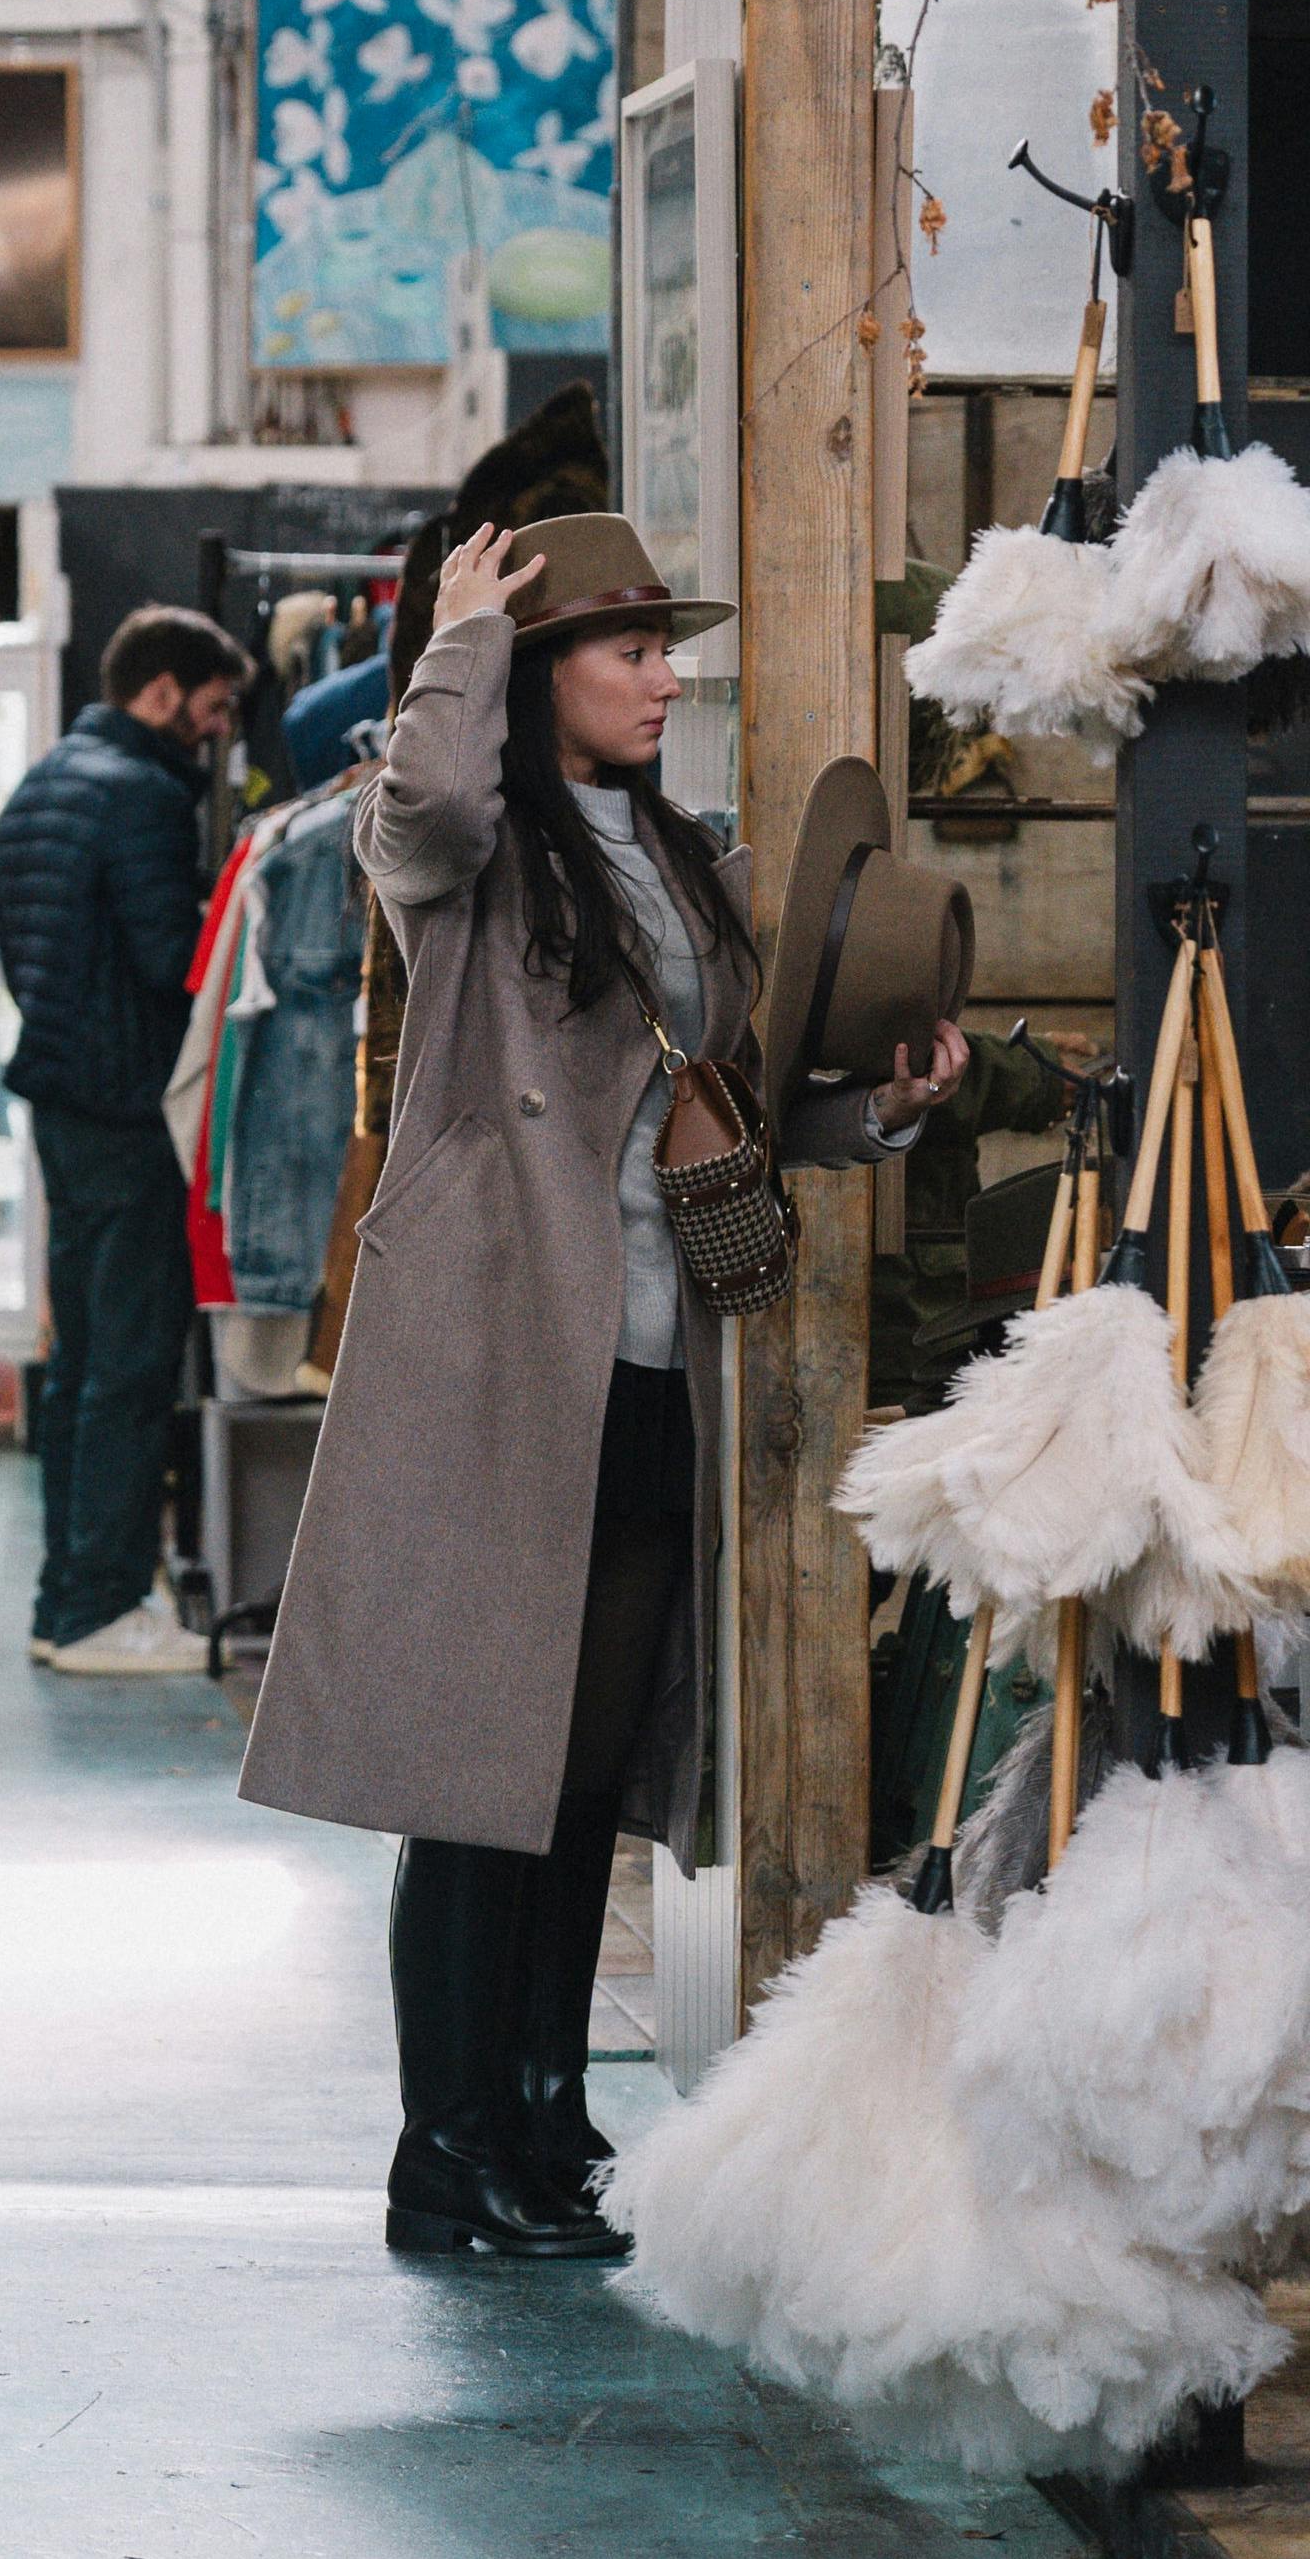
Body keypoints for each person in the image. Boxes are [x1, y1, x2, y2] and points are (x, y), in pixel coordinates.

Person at [239, 513, 969, 2262]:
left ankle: (547, 2109)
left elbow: (734, 1093)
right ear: (538, 669)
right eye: (624, 648)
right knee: (479, 1765)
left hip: (653, 1357)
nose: (663, 676)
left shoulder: (683, 855)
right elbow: (412, 811)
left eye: (665, 649)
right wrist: (456, 635)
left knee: (576, 1773)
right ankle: (445, 2146)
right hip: (505, 1351)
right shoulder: (479, 857)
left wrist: (889, 1109)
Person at [0, 603, 247, 1675]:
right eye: (214, 707)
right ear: (162, 691)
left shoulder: (44, 780)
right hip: (130, 1103)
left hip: (61, 1099)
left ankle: (66, 1596)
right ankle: (100, 1604)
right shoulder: (141, 794)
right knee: (130, 1360)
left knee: (82, 1352)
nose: (218, 730)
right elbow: (171, 963)